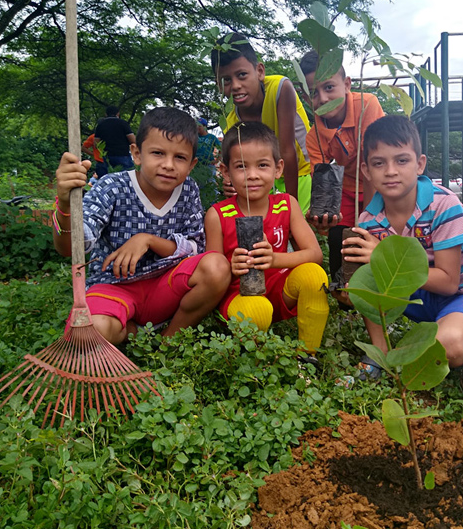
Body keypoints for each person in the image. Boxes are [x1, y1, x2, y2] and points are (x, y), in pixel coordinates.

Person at [53, 107, 231, 345]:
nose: (168, 165)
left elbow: (196, 247)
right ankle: (132, 331)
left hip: (165, 289)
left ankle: (168, 341)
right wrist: (66, 206)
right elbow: (72, 246)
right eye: (158, 153)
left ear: (192, 164)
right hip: (114, 286)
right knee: (88, 333)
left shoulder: (188, 189)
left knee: (217, 266)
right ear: (136, 154)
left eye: (180, 157)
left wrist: (148, 240)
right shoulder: (112, 186)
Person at [341, 115, 463, 379]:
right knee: (367, 275)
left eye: (402, 160)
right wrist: (352, 291)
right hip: (417, 297)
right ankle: (381, 352)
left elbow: (449, 282)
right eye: (379, 163)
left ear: (420, 164)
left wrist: (381, 255)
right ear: (366, 170)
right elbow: (369, 281)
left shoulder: (443, 205)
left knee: (449, 346)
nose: (391, 171)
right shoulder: (368, 221)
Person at [204, 121, 329, 357]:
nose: (252, 175)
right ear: (226, 172)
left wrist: (274, 260)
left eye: (262, 165)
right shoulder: (218, 215)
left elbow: (315, 254)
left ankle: (307, 355)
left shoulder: (287, 205)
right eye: (241, 166)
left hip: (278, 291)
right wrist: (231, 266)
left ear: (278, 168)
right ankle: (258, 365)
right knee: (258, 310)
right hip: (239, 297)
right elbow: (211, 274)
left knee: (314, 275)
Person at [299, 49, 385, 290]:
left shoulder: (367, 105)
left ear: (347, 84)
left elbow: (374, 164)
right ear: (305, 98)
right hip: (346, 191)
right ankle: (344, 290)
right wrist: (322, 217)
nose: (323, 99)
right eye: (314, 93)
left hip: (380, 186)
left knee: (375, 233)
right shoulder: (314, 137)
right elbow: (324, 186)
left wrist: (367, 219)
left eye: (329, 87)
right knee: (340, 237)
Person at [210, 33, 312, 212]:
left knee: (297, 226)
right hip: (262, 181)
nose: (235, 85)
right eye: (226, 80)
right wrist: (231, 183)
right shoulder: (230, 120)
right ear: (218, 84)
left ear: (259, 71)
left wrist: (291, 211)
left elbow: (287, 152)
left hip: (300, 174)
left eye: (242, 75)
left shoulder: (280, 88)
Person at [94, 105, 137, 172]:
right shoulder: (123, 123)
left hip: (107, 157)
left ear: (106, 114)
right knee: (127, 175)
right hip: (123, 155)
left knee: (109, 177)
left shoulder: (100, 125)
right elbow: (132, 140)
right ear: (118, 113)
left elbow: (96, 143)